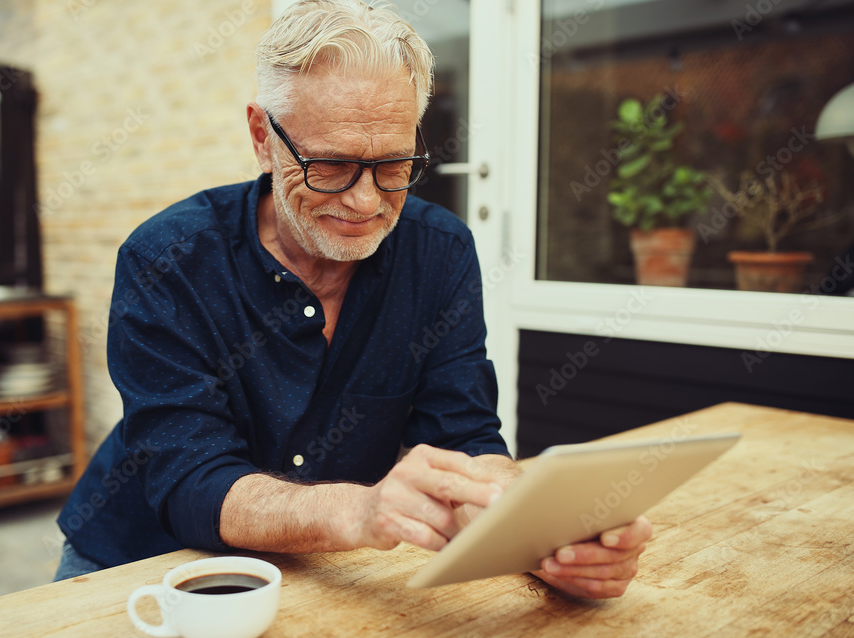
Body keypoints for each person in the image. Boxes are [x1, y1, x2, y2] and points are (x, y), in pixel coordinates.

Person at [55, 0, 651, 599]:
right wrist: (359, 513)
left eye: (393, 165)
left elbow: (463, 437)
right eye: (331, 165)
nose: (366, 203)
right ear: (263, 138)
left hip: (323, 572)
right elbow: (190, 479)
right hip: (141, 564)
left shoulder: (439, 252)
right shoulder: (167, 260)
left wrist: (536, 536)